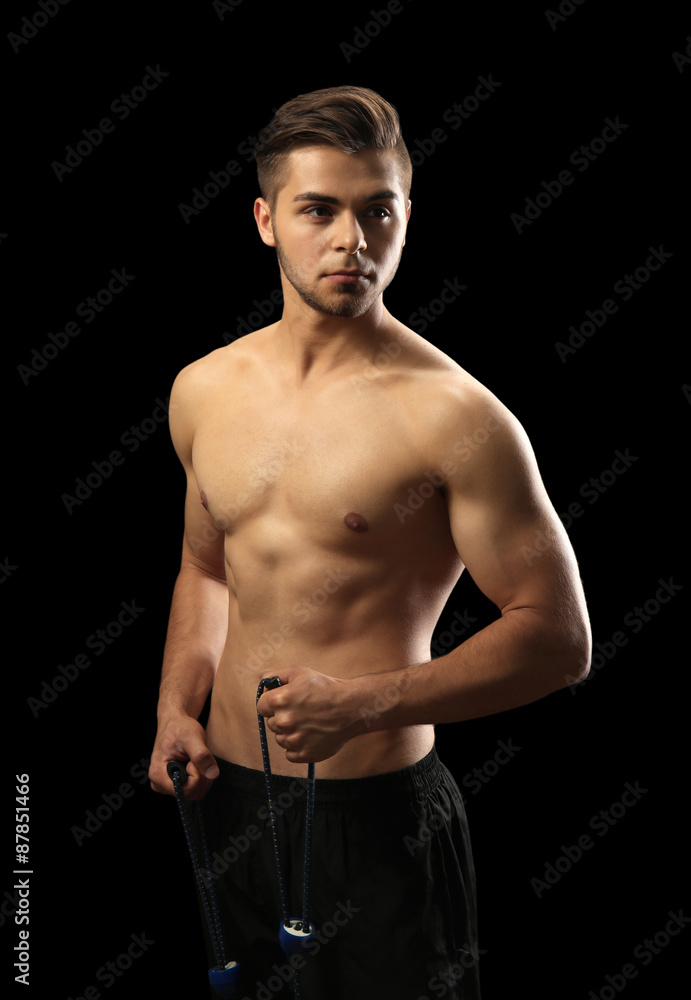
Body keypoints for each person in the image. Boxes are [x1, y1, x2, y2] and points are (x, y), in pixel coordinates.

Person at [148, 85, 591, 999]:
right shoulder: (203, 389)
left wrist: (363, 705)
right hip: (224, 801)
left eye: (376, 209)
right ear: (268, 220)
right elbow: (205, 568)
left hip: (373, 818)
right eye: (320, 209)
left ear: (404, 217)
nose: (352, 239)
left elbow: (557, 638)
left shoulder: (456, 417)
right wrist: (175, 709)